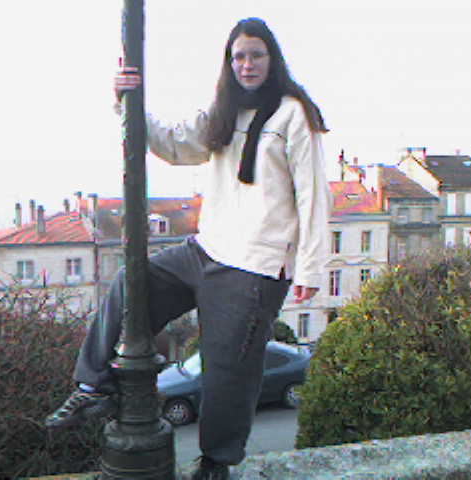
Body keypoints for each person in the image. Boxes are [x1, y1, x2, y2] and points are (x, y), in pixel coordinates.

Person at [45, 17, 330, 480]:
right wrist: (126, 102)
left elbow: (314, 196)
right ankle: (93, 385)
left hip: (255, 265)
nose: (247, 64)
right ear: (229, 62)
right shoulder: (222, 112)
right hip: (206, 248)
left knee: (228, 372)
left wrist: (311, 270)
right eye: (238, 56)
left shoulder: (293, 114)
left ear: (272, 59)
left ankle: (216, 462)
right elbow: (173, 145)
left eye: (256, 55)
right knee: (132, 283)